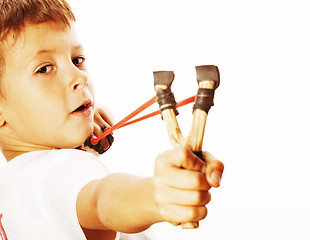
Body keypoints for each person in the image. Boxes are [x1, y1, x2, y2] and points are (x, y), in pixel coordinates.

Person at [0, 0, 224, 239]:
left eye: (77, 60)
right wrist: (154, 195)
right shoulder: (58, 170)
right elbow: (100, 200)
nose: (80, 77)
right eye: (44, 69)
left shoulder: (16, 187)